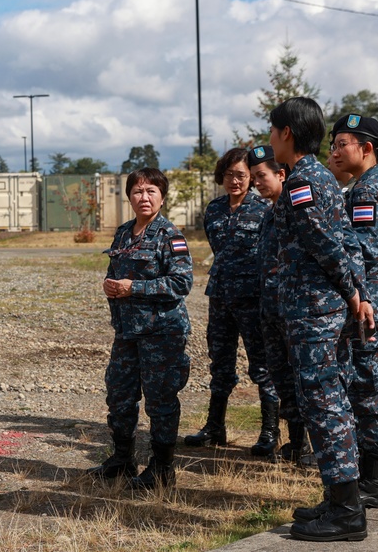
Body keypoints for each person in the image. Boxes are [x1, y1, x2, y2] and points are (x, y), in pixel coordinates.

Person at [269, 97, 374, 542]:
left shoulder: (303, 183)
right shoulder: (318, 178)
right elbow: (347, 240)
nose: (270, 139)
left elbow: (326, 246)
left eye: (273, 131)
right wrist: (356, 293)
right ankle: (337, 499)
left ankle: (348, 512)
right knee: (325, 402)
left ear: (287, 133)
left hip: (314, 312)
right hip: (317, 309)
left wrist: (353, 294)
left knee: (325, 405)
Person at [87, 168, 192, 491]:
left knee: (160, 400)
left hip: (162, 332)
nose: (143, 197)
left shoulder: (169, 235)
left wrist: (135, 288)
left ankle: (162, 468)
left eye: (151, 192)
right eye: (137, 191)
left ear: (162, 197)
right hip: (127, 332)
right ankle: (122, 458)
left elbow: (182, 282)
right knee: (119, 394)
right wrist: (111, 287)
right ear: (128, 195)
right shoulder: (123, 233)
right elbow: (115, 269)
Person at [327, 114, 378, 510]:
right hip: (371, 302)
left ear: (365, 149)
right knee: (364, 386)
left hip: (367, 306)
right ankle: (370, 475)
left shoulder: (367, 193)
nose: (334, 151)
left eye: (341, 144)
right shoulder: (369, 187)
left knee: (366, 390)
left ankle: (376, 481)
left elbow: (364, 254)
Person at [185, 148, 278, 456]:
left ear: (251, 177)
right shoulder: (214, 209)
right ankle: (215, 427)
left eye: (241, 175)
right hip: (221, 298)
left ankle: (270, 431)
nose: (234, 181)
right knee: (220, 365)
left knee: (262, 366)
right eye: (228, 175)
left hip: (254, 299)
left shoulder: (265, 208)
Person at [248, 145, 312, 466]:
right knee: (283, 379)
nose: (256, 182)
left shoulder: (294, 210)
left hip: (295, 312)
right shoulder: (268, 214)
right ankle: (295, 445)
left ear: (281, 174)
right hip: (271, 312)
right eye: (254, 177)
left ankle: (309, 448)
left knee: (303, 379)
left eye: (261, 176)